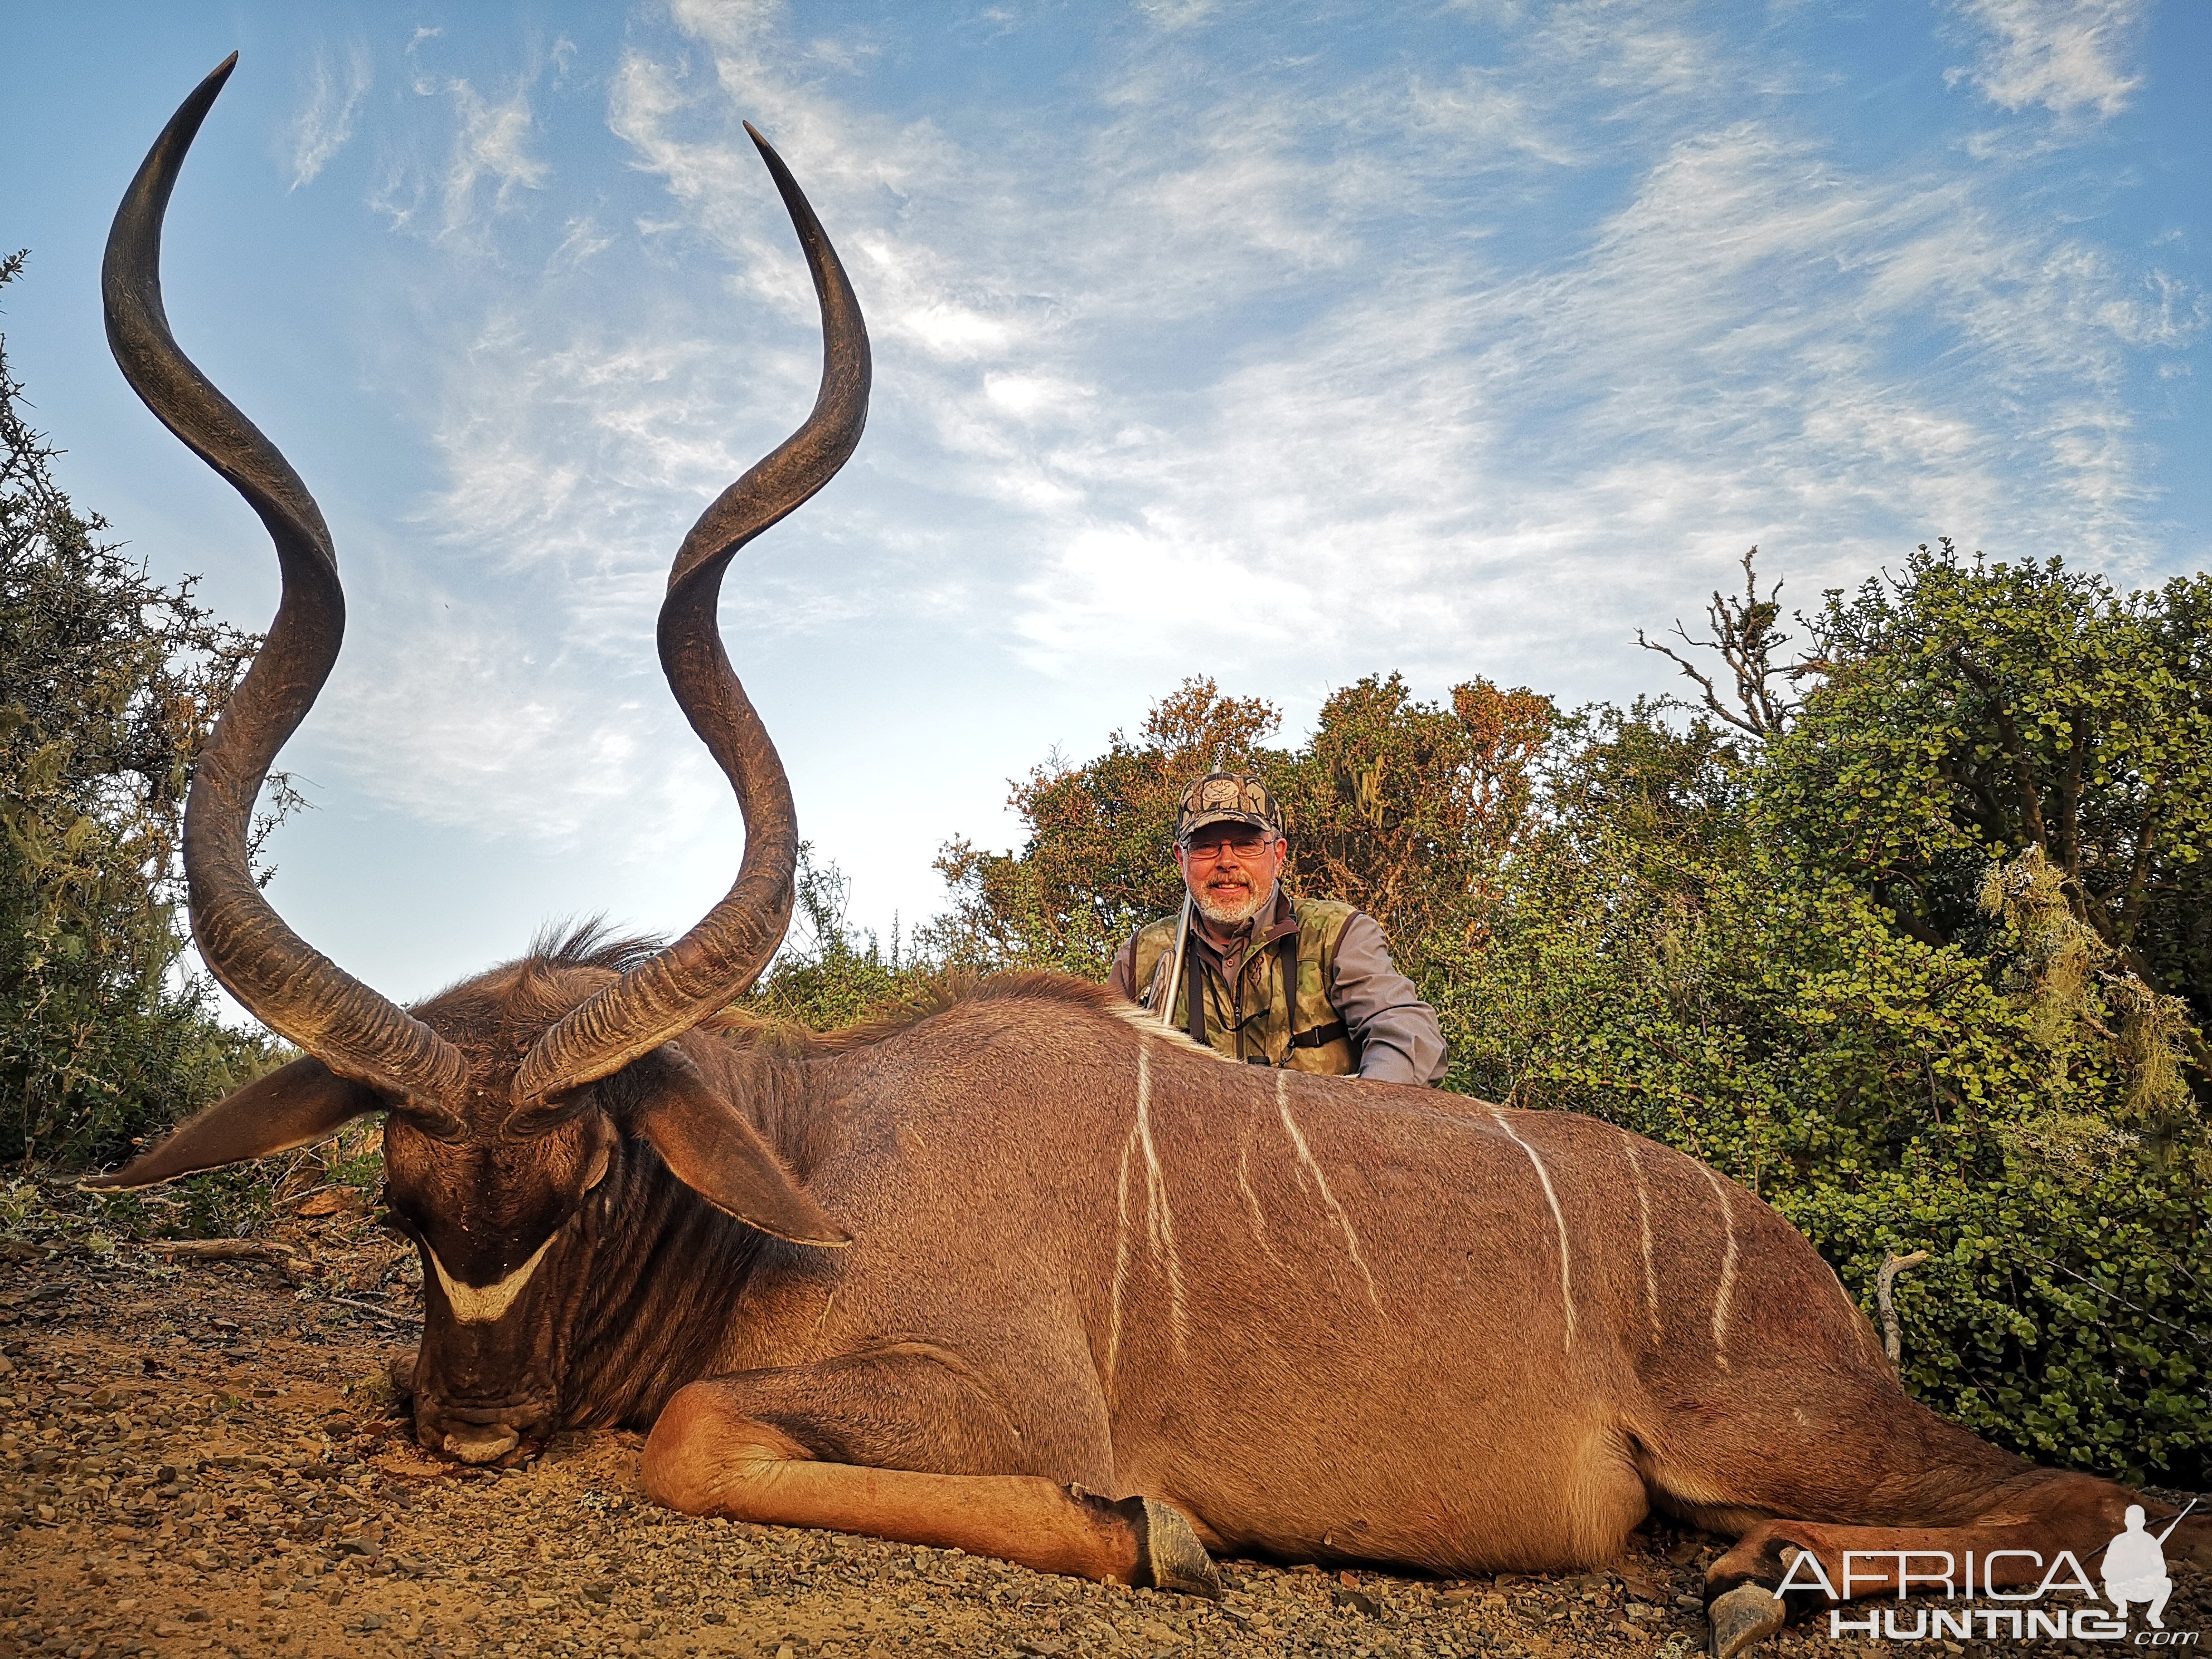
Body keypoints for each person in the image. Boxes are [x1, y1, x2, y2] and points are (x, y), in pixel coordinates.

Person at [1108, 772, 1448, 1085]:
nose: (1227, 861)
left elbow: (1404, 1030)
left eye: (1247, 844)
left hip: (1320, 1143)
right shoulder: (1141, 956)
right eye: (1206, 846)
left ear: (1279, 854)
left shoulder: (1337, 934)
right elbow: (1107, 1070)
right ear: (1182, 860)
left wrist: (1370, 1112)